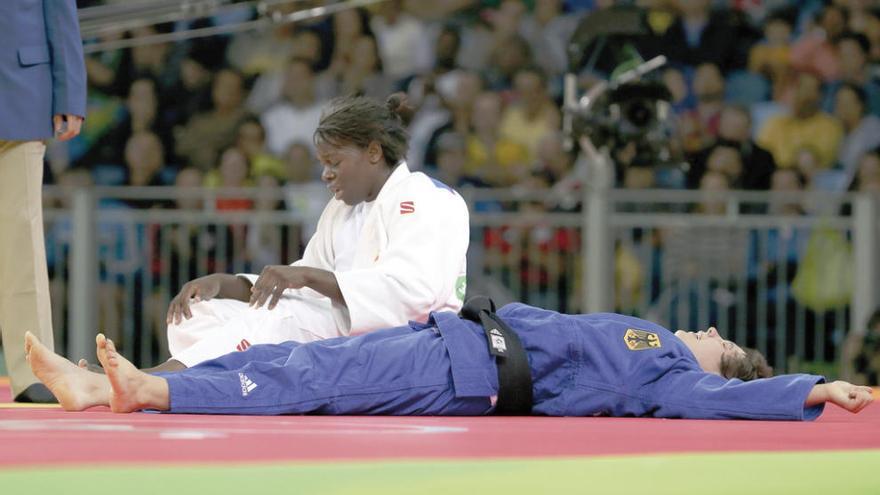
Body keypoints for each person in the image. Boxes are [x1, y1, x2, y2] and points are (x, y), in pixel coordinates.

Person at [24, 301, 873, 419]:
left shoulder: (672, 373)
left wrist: (811, 387)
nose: (705, 330)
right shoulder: (645, 334)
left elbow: (719, 403)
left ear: (726, 364)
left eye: (720, 340)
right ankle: (105, 386)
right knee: (291, 351)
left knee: (307, 382)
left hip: (464, 374)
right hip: (455, 335)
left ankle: (148, 395)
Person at [158, 94, 470, 371]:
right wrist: (227, 284)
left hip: (409, 347)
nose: (325, 174)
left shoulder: (421, 196)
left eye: (334, 162)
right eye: (322, 163)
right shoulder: (342, 208)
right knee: (199, 314)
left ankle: (163, 379)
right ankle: (203, 378)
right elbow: (300, 289)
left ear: (373, 152)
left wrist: (309, 277)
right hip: (339, 334)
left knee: (278, 320)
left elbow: (412, 297)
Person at [0, 0, 86, 403]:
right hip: (22, 86)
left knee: (21, 236)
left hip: (19, 90)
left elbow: (60, 13)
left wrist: (69, 93)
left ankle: (33, 368)